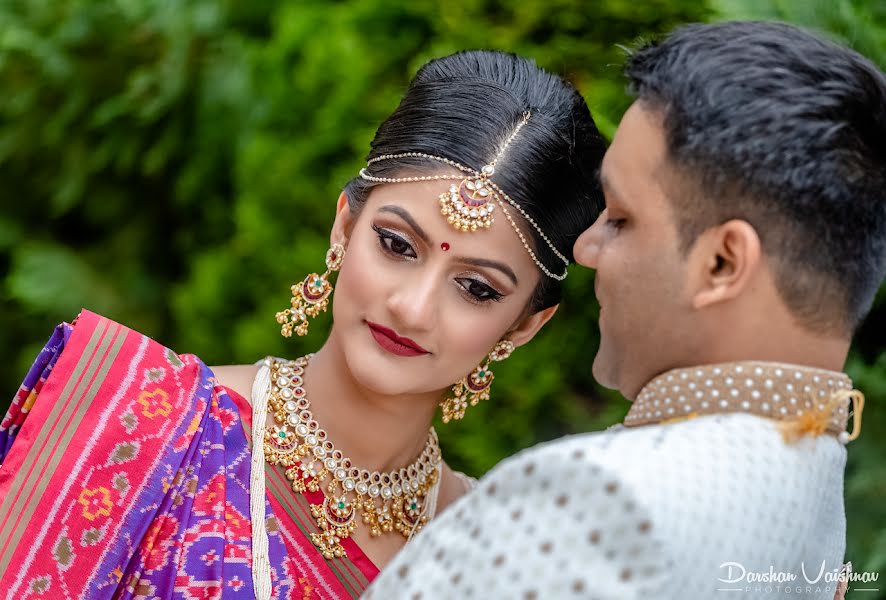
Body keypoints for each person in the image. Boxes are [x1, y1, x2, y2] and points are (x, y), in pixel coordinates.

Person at [0, 50, 607, 598]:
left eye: (476, 289)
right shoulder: (141, 419)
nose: (413, 308)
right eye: (396, 245)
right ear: (344, 227)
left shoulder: (493, 554)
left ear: (525, 326)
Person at [364, 21, 886, 600]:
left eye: (619, 218)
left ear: (721, 263)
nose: (586, 251)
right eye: (395, 245)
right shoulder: (811, 491)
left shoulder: (603, 501)